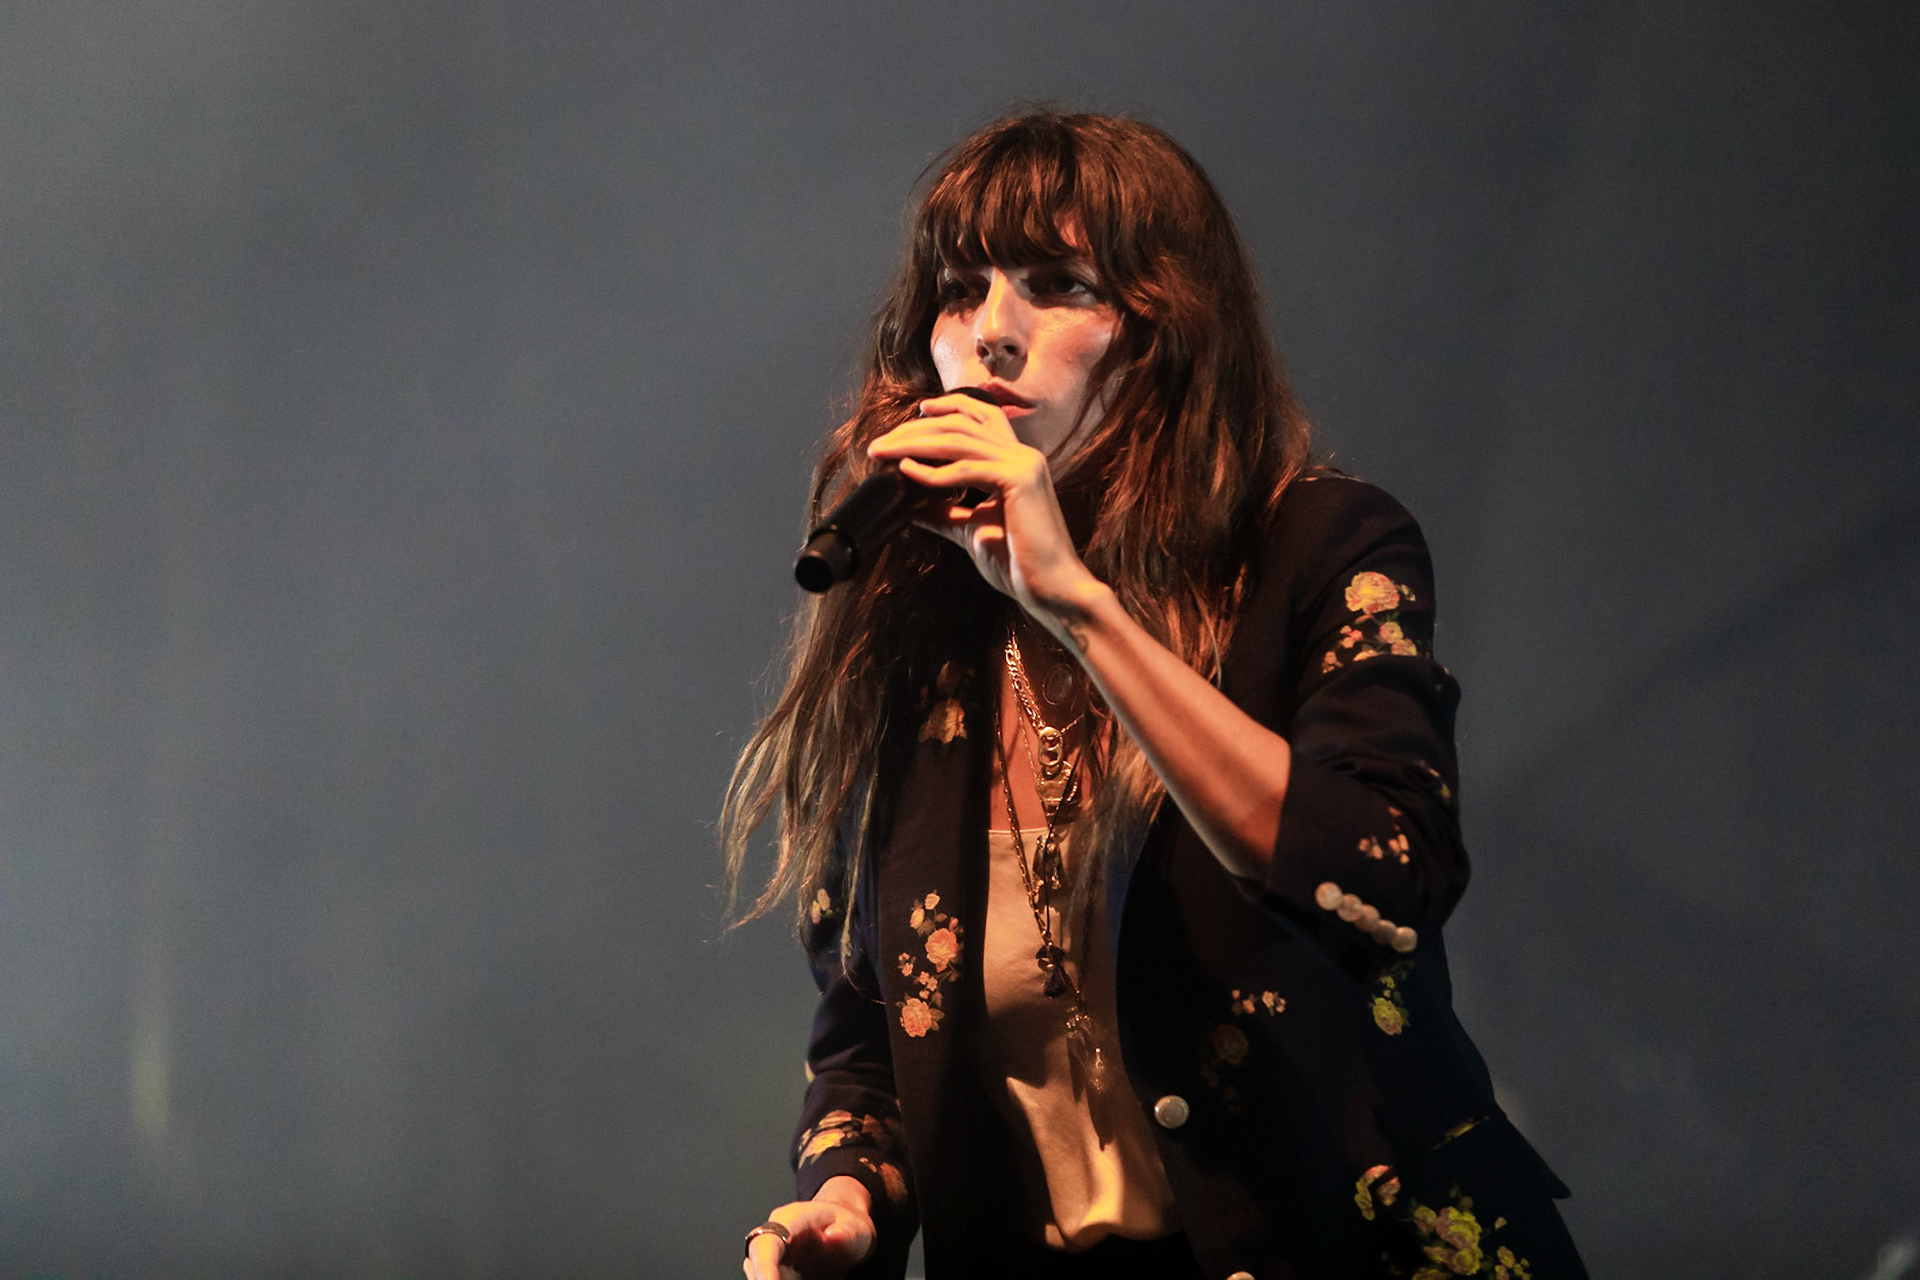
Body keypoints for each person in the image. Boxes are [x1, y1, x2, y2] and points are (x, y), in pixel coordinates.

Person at [723, 110, 1586, 1280]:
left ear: (1167, 331)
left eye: (1058, 285)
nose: (993, 331)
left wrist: (1077, 605)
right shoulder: (918, 635)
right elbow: (872, 1040)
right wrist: (843, 1201)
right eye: (961, 290)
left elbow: (1384, 875)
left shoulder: (1321, 547)